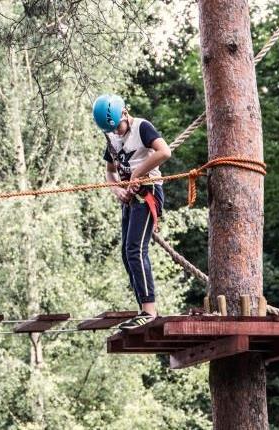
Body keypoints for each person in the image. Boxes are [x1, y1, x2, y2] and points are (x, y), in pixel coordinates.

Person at [93, 94, 171, 329]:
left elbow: (164, 152)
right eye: (112, 129)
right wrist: (117, 190)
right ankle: (143, 307)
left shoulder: (141, 127)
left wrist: (137, 175)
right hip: (129, 199)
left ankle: (149, 310)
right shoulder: (111, 136)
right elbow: (110, 171)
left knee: (136, 249)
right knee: (126, 253)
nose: (117, 132)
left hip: (148, 193)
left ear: (125, 113)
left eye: (118, 126)